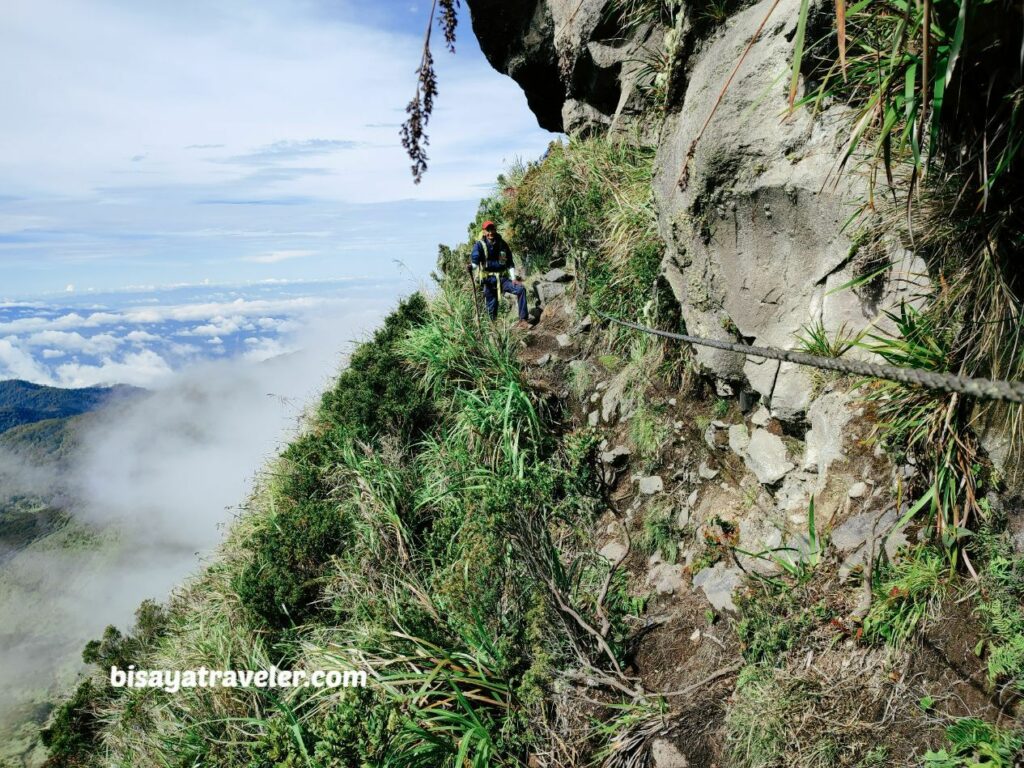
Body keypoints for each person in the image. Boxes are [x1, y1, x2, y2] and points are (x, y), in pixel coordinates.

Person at [470, 221, 532, 328]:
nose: (490, 232)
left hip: (503, 279)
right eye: (488, 230)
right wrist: (472, 266)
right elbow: (475, 260)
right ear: (484, 232)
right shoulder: (479, 245)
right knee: (492, 307)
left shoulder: (502, 244)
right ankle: (493, 331)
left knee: (521, 289)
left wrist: (513, 278)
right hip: (488, 281)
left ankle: (523, 320)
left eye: (492, 229)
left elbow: (509, 263)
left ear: (495, 230)